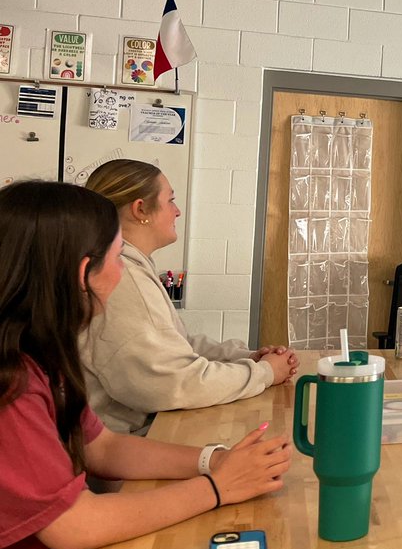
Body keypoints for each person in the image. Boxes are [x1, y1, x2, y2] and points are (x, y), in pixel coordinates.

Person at [0, 181, 291, 549]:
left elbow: (104, 447)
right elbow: (74, 527)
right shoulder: (12, 386)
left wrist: (215, 459)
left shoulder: (42, 353)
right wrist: (216, 488)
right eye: (118, 258)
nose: (122, 272)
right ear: (83, 274)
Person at [80, 159, 297, 436]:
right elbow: (172, 383)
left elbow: (174, 343)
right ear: (141, 209)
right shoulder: (122, 277)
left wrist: (248, 358)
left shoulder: (134, 267)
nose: (177, 211)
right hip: (125, 447)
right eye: (170, 200)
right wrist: (264, 373)